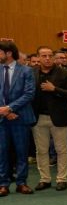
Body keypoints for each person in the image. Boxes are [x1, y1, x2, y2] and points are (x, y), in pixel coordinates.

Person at [32, 46, 67, 191]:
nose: (47, 58)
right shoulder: (32, 74)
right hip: (38, 117)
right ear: (38, 58)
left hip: (59, 117)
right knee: (41, 150)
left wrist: (54, 89)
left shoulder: (64, 73)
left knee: (61, 150)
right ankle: (45, 179)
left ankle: (61, 179)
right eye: (43, 56)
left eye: (50, 55)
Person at [0, 40, 36, 195]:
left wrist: (10, 108)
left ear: (8, 53)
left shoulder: (26, 71)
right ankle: (3, 184)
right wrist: (4, 111)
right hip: (2, 118)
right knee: (2, 153)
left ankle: (21, 182)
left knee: (22, 152)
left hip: (20, 118)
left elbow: (29, 94)